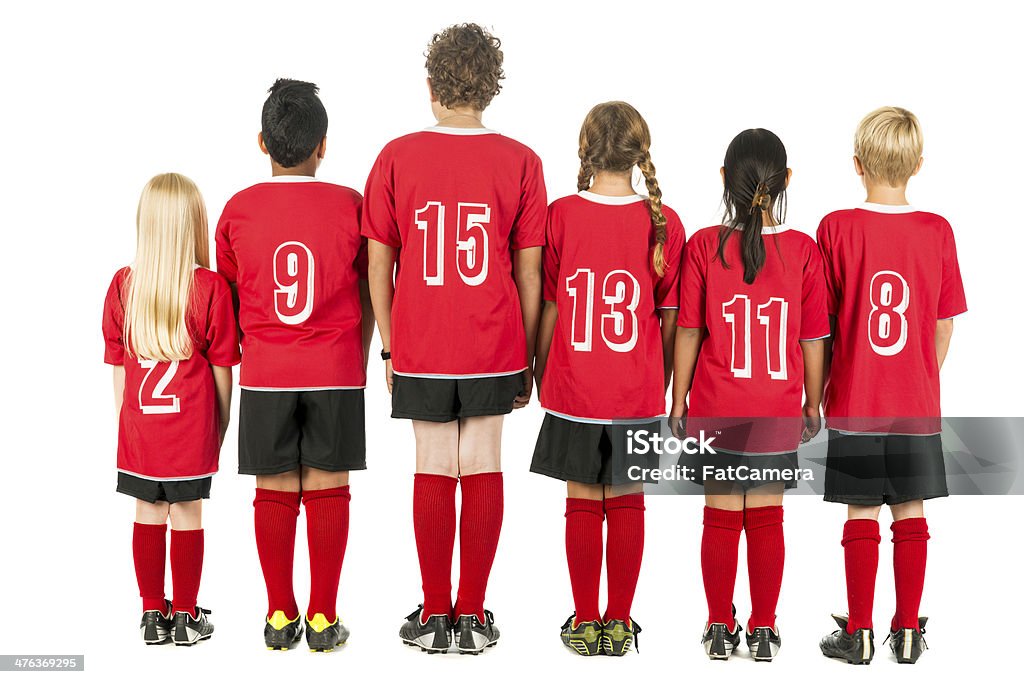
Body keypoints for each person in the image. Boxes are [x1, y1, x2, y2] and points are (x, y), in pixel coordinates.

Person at [362, 23, 546, 654]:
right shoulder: (521, 160)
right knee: (485, 463)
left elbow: (377, 265)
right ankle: (472, 613)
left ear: (432, 85)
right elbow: (529, 272)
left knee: (434, 465)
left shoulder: (394, 155)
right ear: (489, 87)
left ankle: (435, 613)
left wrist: (390, 343)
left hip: (423, 340)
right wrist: (524, 356)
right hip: (494, 339)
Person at [215, 79, 373, 652]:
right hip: (334, 367)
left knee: (274, 486)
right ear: (323, 146)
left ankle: (280, 616)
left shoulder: (236, 211)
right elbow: (369, 291)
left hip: (266, 373)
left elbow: (229, 300)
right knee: (330, 484)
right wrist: (359, 355)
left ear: (262, 143)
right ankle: (324, 617)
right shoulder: (350, 205)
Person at [532, 101, 684, 656]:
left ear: (585, 150)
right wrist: (662, 380)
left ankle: (586, 620)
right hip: (634, 390)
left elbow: (550, 303)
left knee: (581, 502)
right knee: (626, 502)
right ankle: (620, 621)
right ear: (640, 153)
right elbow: (669, 321)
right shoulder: (664, 222)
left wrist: (535, 367)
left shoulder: (562, 213)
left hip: (574, 387)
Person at [671, 129, 829, 661]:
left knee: (719, 516)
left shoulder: (702, 245)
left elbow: (689, 331)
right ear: (787, 182)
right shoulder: (803, 251)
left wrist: (678, 399)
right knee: (765, 517)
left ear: (723, 179)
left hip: (716, 406)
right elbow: (812, 337)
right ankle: (762, 628)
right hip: (776, 408)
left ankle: (719, 626)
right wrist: (812, 401)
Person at [817, 107, 966, 665]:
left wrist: (822, 390)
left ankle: (857, 633)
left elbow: (822, 327)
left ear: (857, 165)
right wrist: (920, 378)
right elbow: (943, 322)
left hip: (855, 397)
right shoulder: (936, 230)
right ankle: (906, 631)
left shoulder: (836, 227)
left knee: (860, 512)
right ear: (918, 165)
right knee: (911, 509)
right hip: (914, 404)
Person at [103, 173, 239, 646]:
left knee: (146, 511)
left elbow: (119, 371)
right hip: (189, 432)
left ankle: (150, 613)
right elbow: (223, 374)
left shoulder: (124, 286)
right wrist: (219, 427)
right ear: (193, 226)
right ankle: (185, 614)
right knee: (187, 514)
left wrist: (130, 425)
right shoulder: (210, 288)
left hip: (141, 430)